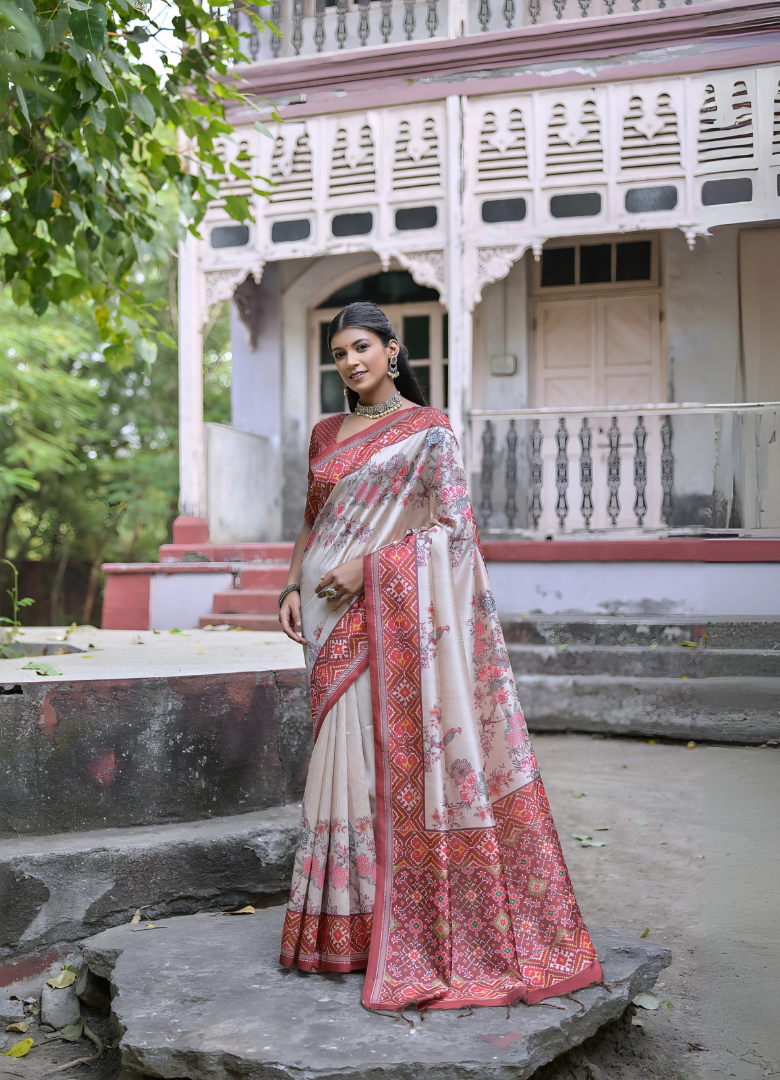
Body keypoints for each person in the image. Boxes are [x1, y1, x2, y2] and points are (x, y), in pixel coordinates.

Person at [277, 300, 602, 1011]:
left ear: (393, 351)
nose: (351, 362)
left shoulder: (428, 432)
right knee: (336, 757)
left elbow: (453, 531)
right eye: (339, 354)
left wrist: (368, 570)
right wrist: (289, 586)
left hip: (378, 606)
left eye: (362, 347)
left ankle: (380, 928)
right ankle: (340, 925)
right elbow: (311, 521)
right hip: (323, 612)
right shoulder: (326, 433)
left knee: (367, 756)